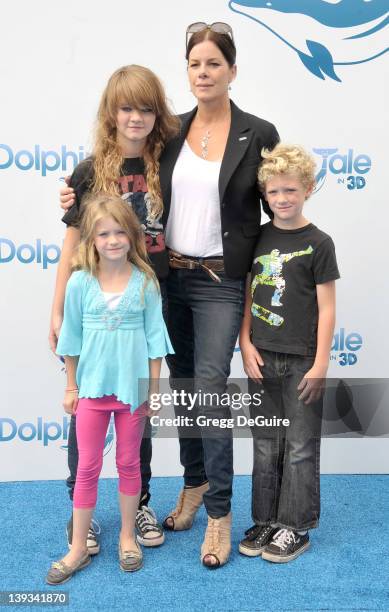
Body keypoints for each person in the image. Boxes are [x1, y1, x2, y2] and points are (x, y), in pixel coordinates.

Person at [60, 23, 279, 568]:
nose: (203, 73)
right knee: (182, 392)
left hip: (221, 285)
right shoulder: (171, 132)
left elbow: (277, 209)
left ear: (232, 69)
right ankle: (194, 485)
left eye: (213, 64)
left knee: (207, 389)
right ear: (187, 71)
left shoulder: (258, 131)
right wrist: (74, 187)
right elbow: (116, 170)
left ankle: (220, 516)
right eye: (195, 64)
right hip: (165, 281)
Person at [50, 65, 180, 554]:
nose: (136, 117)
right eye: (127, 107)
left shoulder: (168, 162)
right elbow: (70, 245)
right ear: (111, 112)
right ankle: (77, 509)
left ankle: (140, 498)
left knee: (135, 402)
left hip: (146, 294)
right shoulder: (87, 172)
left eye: (147, 108)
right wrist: (58, 306)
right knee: (86, 402)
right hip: (94, 301)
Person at [46, 194, 173, 584]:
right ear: (92, 239)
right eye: (104, 234)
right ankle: (78, 546)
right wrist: (71, 386)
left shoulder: (145, 283)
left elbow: (155, 342)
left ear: (133, 237)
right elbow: (71, 340)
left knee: (130, 464)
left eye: (120, 232)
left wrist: (151, 389)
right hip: (91, 393)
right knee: (86, 466)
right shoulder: (80, 282)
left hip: (132, 395)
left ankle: (126, 537)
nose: (113, 240)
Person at [238, 144, 339, 562]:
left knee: (299, 446)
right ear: (265, 194)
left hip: (301, 360)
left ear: (308, 189)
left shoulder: (319, 243)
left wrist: (320, 362)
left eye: (291, 190)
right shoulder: (258, 236)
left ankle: (295, 526)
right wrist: (245, 341)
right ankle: (265, 520)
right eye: (275, 191)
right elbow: (247, 291)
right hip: (261, 356)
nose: (282, 199)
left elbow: (328, 306)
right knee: (265, 443)